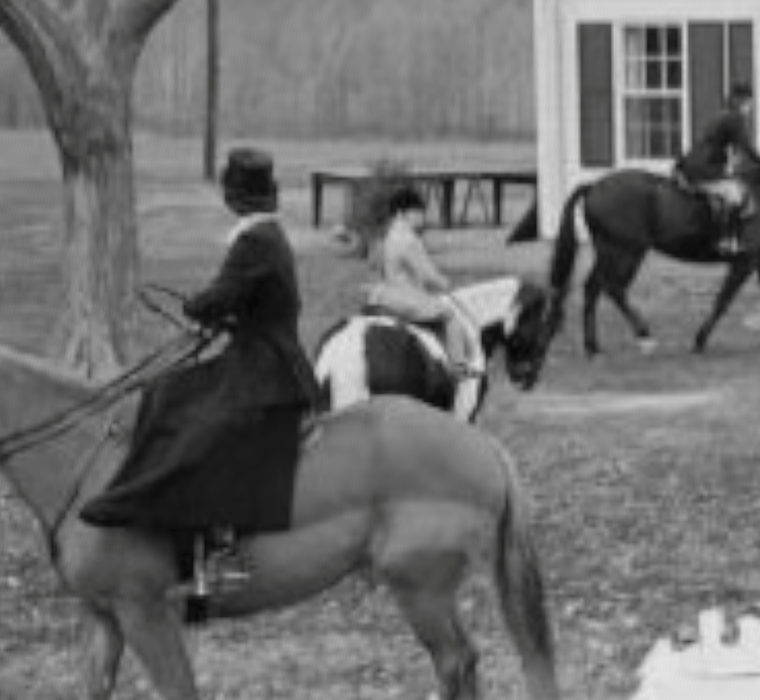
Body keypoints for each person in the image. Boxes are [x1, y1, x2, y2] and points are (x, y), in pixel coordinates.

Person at [78, 146, 322, 612]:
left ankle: (221, 553)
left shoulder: (255, 241)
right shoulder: (264, 235)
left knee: (206, 432)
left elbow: (222, 294)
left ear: (235, 199)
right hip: (254, 355)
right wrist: (218, 314)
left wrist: (196, 307)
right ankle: (164, 519)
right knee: (167, 393)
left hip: (267, 369)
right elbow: (243, 300)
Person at [359, 181, 486, 421]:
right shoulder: (409, 240)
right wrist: (444, 282)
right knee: (450, 318)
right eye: (417, 213)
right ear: (402, 213)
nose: (422, 218)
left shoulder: (388, 236)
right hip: (406, 297)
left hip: (385, 293)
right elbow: (428, 274)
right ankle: (458, 367)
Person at [677, 86, 760, 255]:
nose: (751, 108)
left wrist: (731, 163)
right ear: (742, 101)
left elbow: (728, 147)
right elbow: (746, 147)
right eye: (750, 104)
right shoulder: (735, 118)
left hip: (693, 163)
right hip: (703, 169)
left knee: (733, 187)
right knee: (736, 195)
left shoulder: (721, 116)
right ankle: (725, 240)